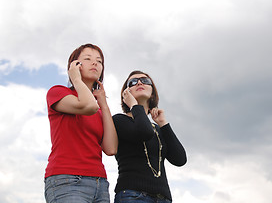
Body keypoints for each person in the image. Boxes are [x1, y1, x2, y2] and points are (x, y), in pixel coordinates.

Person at [44, 44, 118, 203]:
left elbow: (111, 148)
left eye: (99, 61)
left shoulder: (98, 109)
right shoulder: (58, 93)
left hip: (100, 183)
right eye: (88, 59)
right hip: (68, 179)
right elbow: (88, 106)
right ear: (75, 66)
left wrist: (104, 104)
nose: (95, 63)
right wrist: (76, 79)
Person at [112, 70, 187, 203]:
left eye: (145, 80)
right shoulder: (119, 120)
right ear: (126, 93)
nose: (139, 82)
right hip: (133, 195)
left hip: (163, 198)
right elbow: (144, 133)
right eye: (133, 82)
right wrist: (134, 105)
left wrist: (163, 124)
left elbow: (180, 159)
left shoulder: (157, 128)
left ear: (152, 92)